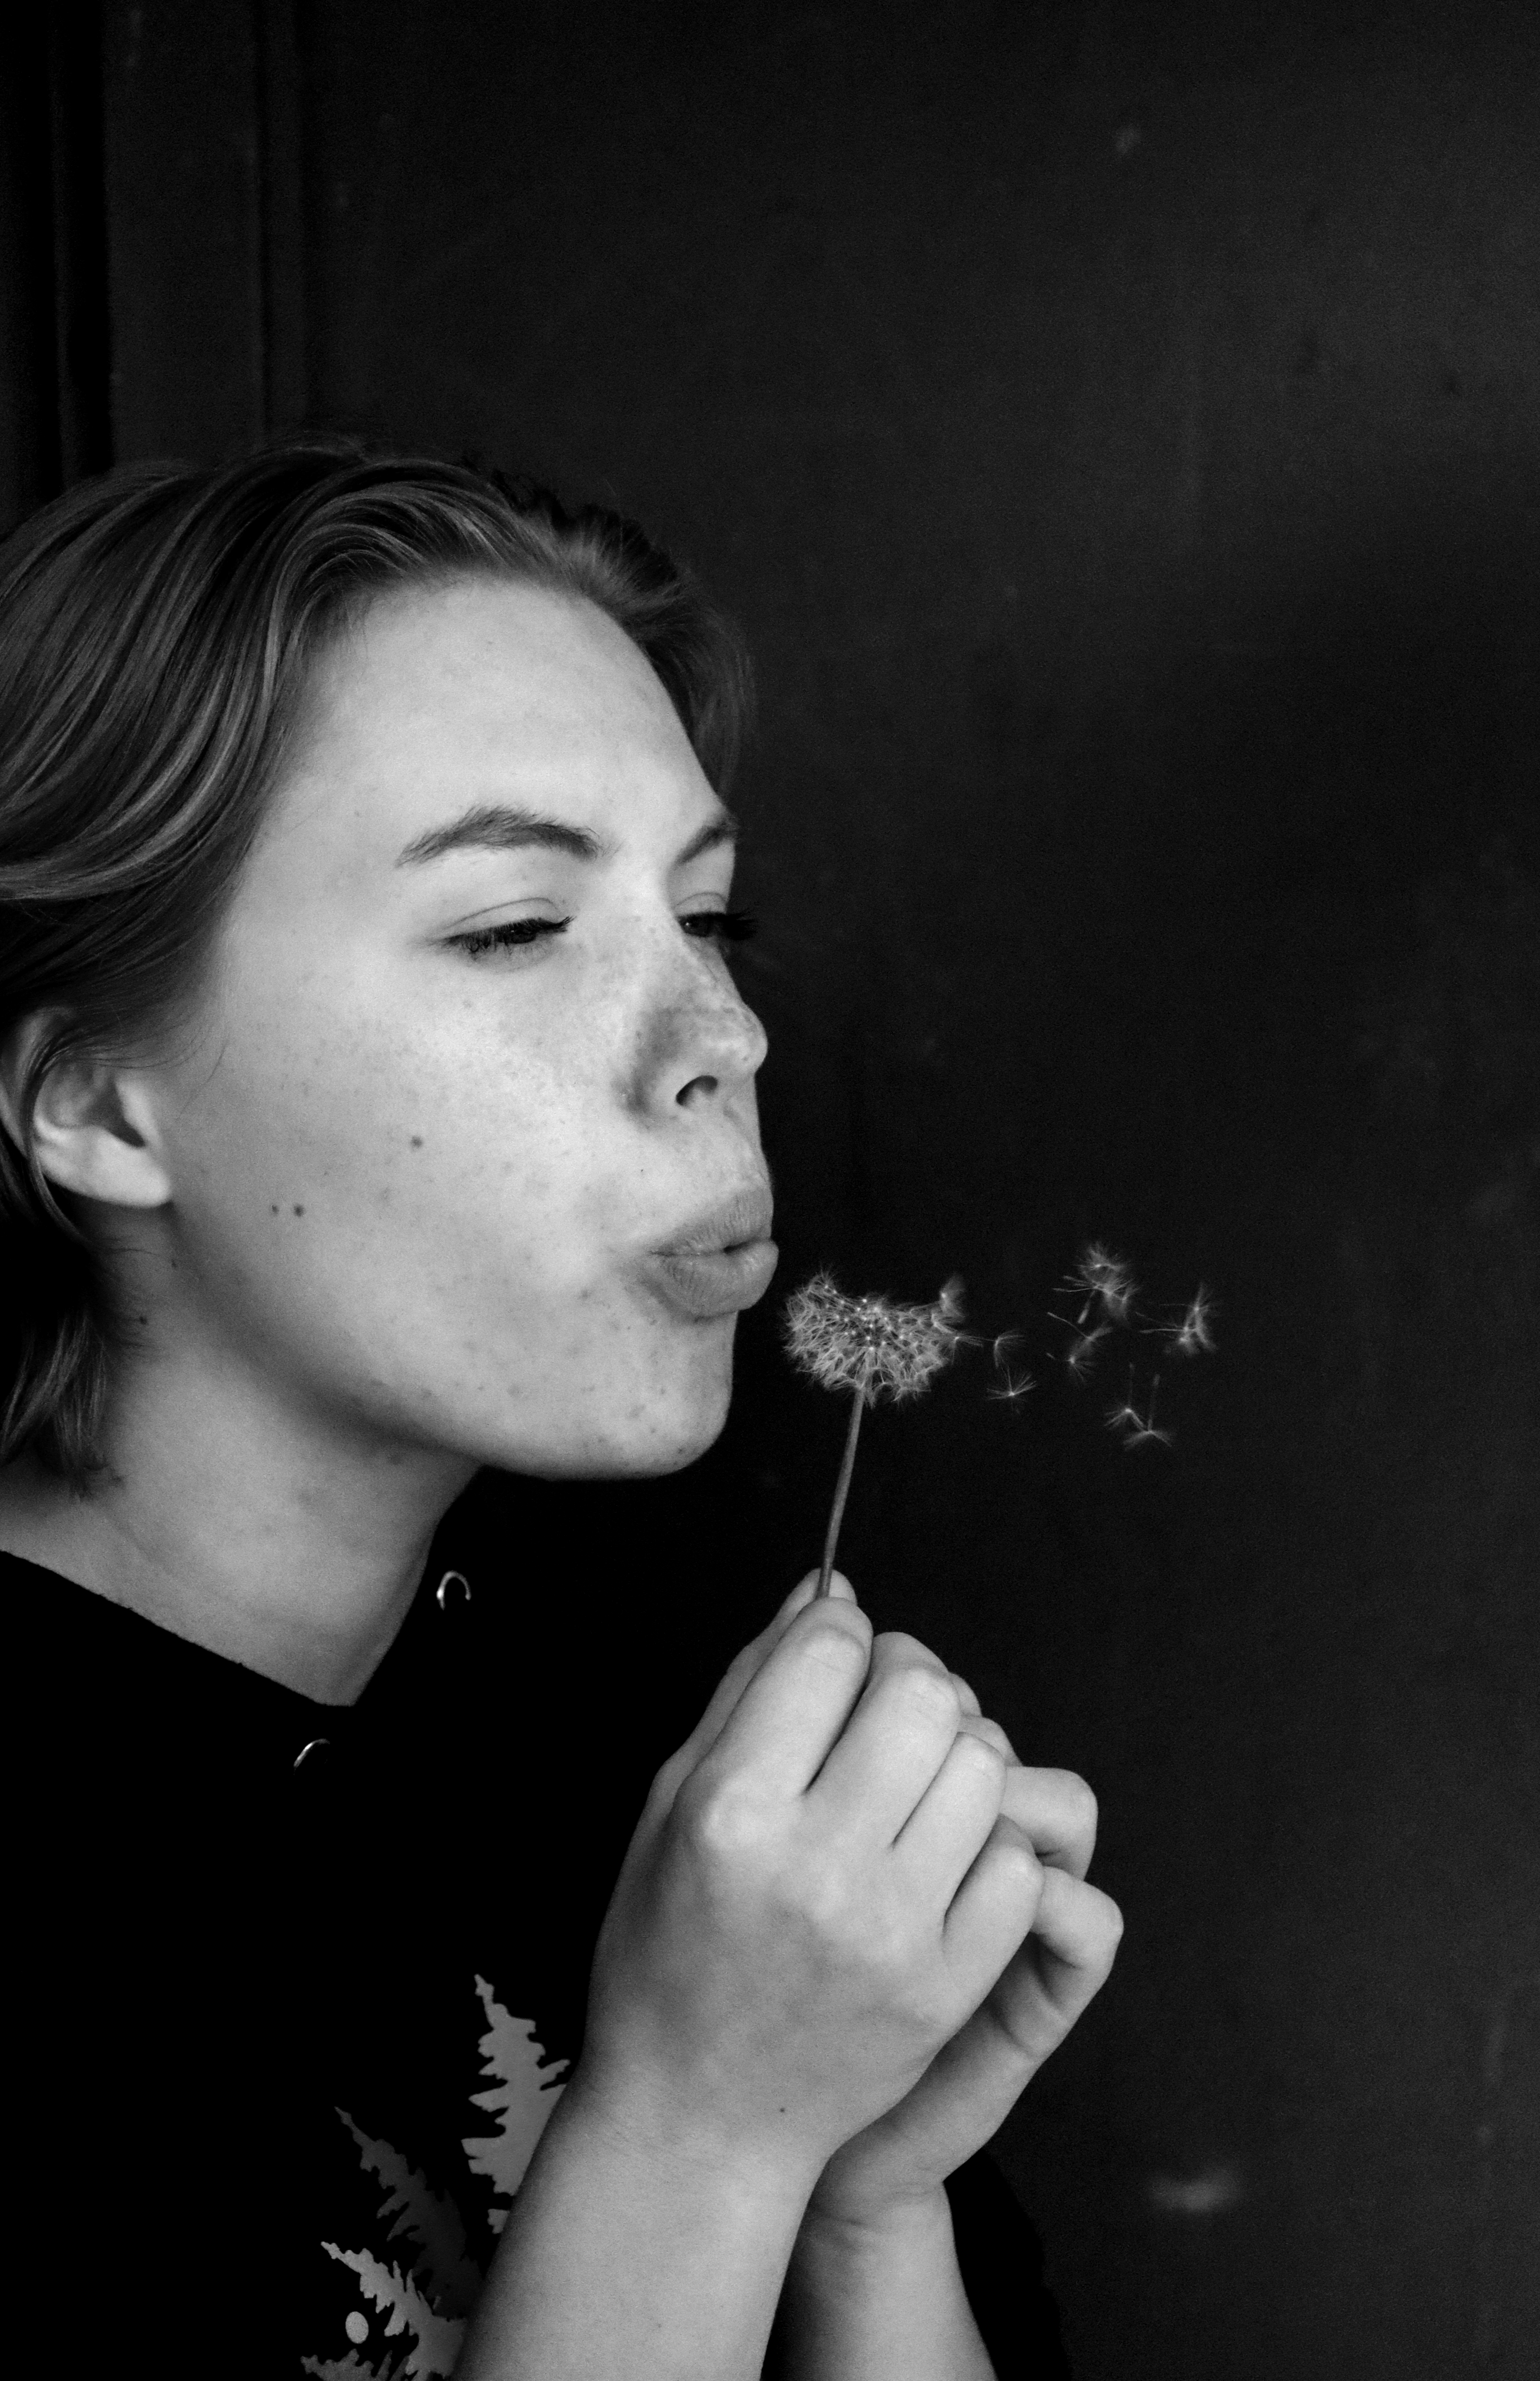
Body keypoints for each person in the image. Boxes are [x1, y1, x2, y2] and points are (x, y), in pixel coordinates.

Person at [0, 444, 1121, 2379]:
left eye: (710, 918)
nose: (721, 1038)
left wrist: (859, 2194)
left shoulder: (637, 1806)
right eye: (516, 928)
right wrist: (696, 2132)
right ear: (99, 1103)